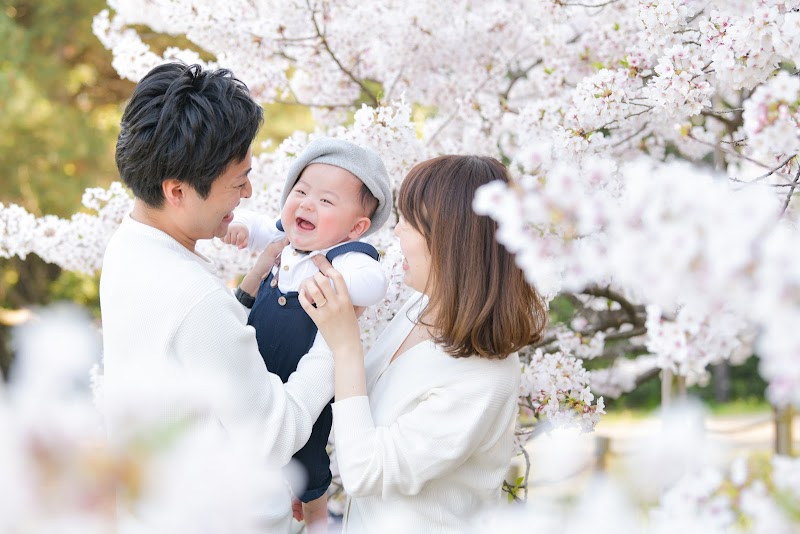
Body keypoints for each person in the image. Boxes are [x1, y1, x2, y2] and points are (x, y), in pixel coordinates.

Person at [99, 62, 334, 532]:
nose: (247, 192)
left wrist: (246, 293)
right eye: (237, 182)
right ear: (178, 191)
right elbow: (274, 436)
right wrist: (337, 339)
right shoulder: (196, 299)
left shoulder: (127, 246)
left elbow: (184, 355)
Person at [298, 155, 549, 533]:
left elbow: (366, 471)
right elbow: (357, 415)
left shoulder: (483, 376)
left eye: (410, 222)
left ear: (451, 240)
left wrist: (347, 346)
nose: (397, 232)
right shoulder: (421, 306)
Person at [222, 138, 391, 529]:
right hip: (256, 374)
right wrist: (244, 228)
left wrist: (335, 281)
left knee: (307, 455)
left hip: (304, 392)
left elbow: (375, 283)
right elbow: (263, 226)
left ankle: (314, 510)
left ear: (356, 228)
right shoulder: (286, 241)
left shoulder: (348, 257)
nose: (308, 204)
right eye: (300, 191)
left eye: (327, 201)